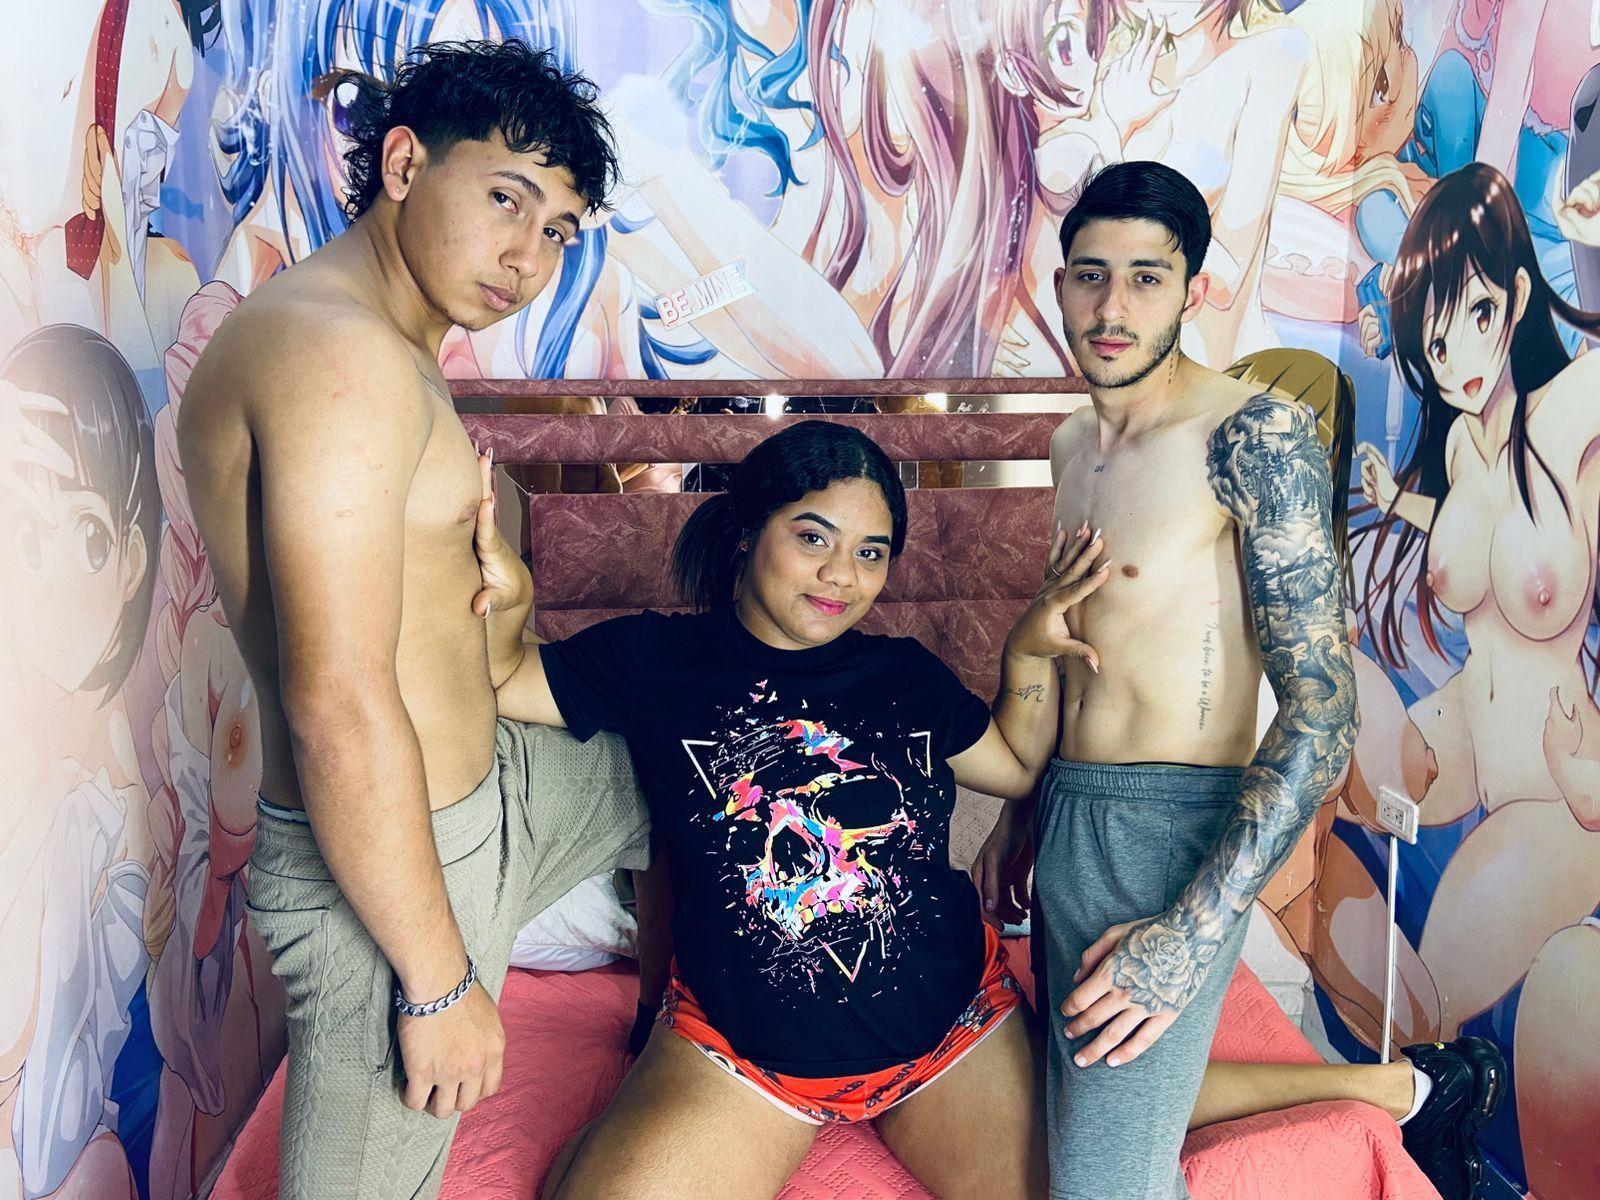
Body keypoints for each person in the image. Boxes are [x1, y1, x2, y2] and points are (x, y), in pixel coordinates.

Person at [467, 418, 1495, 1200]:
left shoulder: (901, 676)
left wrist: (1028, 651)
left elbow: (1007, 762)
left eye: (872, 552)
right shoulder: (652, 659)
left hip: (947, 1034)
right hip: (741, 1055)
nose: (841, 576)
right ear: (746, 535)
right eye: (813, 537)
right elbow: (502, 682)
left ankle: (1387, 1089)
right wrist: (505, 605)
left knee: (1099, 1152)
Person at [174, 40, 650, 1200]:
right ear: (401, 164)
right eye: (507, 200)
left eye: (558, 229)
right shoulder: (338, 357)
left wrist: (503, 618)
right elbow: (336, 702)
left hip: (497, 787)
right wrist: (438, 986)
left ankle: (705, 1036)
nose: (529, 257)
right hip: (389, 863)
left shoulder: (385, 339)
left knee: (720, 750)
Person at [987, 160, 1501, 1200]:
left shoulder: (1253, 434)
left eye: (1146, 277)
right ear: (1059, 284)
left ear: (1192, 289)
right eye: (1090, 275)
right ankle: (1410, 1093)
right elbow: (1085, 646)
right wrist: (1024, 816)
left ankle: (1410, 1094)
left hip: (1169, 830)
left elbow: (1322, 715)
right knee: (1082, 1105)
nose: (1112, 307)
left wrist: (1188, 934)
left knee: (1100, 1185)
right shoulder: (1071, 441)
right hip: (1071, 811)